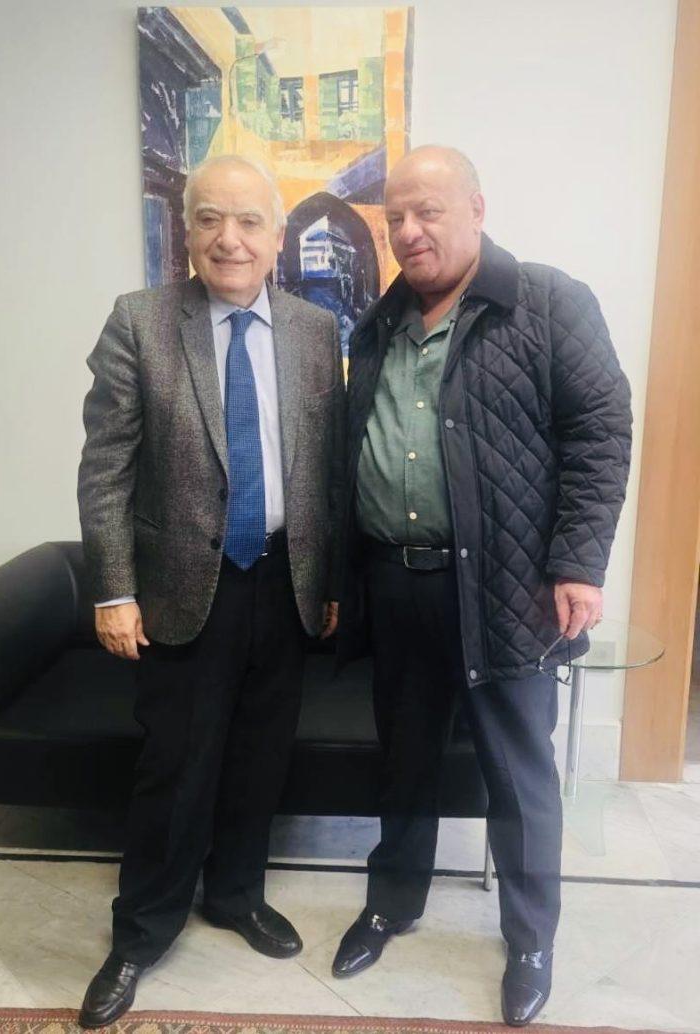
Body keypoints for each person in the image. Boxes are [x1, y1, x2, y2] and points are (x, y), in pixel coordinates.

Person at [333, 146, 631, 1027]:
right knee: (404, 760)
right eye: (396, 217)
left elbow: (601, 430)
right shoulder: (379, 322)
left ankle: (530, 939)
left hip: (509, 590)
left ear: (476, 209)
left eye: (428, 211)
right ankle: (392, 902)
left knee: (519, 773)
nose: (409, 231)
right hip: (397, 581)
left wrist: (578, 561)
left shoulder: (547, 301)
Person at [77, 155, 344, 1028]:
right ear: (186, 231)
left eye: (249, 221)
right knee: (175, 771)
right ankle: (140, 934)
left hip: (287, 583)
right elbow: (105, 469)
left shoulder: (314, 331)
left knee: (259, 760)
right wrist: (113, 591)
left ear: (277, 236)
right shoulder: (140, 321)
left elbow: (327, 469)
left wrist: (331, 579)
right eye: (209, 219)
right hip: (182, 589)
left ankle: (235, 895)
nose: (229, 239)